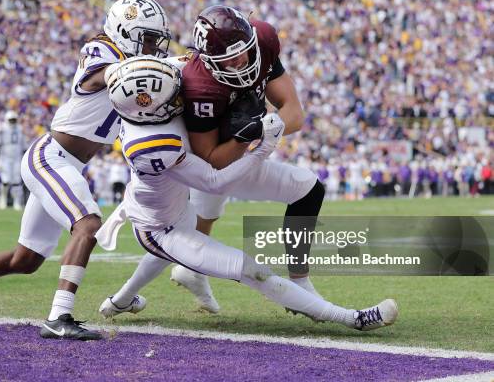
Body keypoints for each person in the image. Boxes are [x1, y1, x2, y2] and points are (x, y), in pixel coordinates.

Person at [0, 0, 172, 341]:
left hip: (68, 164)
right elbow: (99, 78)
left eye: (157, 40)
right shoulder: (102, 49)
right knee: (88, 225)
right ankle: (58, 316)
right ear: (124, 31)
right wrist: (145, 69)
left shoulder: (137, 67)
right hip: (50, 157)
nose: (153, 46)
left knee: (27, 259)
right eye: (148, 38)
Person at [97, 57, 398, 331]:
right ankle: (351, 318)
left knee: (175, 250)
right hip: (161, 229)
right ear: (153, 109)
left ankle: (122, 300)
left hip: (174, 204)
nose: (182, 95)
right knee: (252, 271)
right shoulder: (150, 144)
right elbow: (215, 182)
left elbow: (176, 66)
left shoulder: (142, 98)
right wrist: (262, 147)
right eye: (174, 97)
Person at [0, 110, 27, 210]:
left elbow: (24, 145)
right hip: (5, 157)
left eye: (14, 120)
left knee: (17, 180)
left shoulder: (20, 129)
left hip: (17, 157)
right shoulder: (2, 128)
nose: (12, 122)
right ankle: (3, 198)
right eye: (11, 120)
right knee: (6, 180)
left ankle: (16, 201)